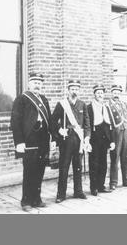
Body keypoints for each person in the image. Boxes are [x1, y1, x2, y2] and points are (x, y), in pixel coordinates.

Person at [10, 72, 55, 211]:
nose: (38, 85)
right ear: (29, 83)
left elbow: (50, 121)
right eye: (35, 82)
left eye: (40, 82)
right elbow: (15, 122)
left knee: (40, 170)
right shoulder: (21, 99)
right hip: (29, 141)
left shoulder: (43, 99)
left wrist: (53, 139)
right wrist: (19, 142)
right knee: (29, 171)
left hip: (42, 140)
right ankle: (26, 201)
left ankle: (37, 198)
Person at [51, 79, 91, 203]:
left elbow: (87, 124)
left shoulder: (82, 104)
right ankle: (61, 194)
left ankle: (78, 191)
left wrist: (87, 138)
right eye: (72, 89)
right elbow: (52, 121)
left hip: (79, 140)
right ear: (68, 90)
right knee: (64, 167)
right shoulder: (62, 104)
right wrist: (59, 130)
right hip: (66, 139)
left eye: (77, 89)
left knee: (78, 166)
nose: (75, 91)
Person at [87, 85, 116, 196]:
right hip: (94, 139)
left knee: (103, 164)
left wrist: (112, 140)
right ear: (94, 94)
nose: (100, 95)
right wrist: (87, 140)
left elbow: (111, 126)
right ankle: (93, 187)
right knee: (94, 163)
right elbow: (87, 125)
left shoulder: (106, 107)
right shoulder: (89, 107)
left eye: (101, 93)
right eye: (98, 93)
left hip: (105, 140)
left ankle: (101, 185)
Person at [107, 84, 127, 190]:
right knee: (115, 157)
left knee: (125, 157)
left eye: (118, 92)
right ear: (111, 93)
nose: (116, 94)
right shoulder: (108, 106)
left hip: (125, 132)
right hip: (115, 133)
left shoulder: (123, 104)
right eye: (114, 92)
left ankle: (126, 180)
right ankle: (113, 182)